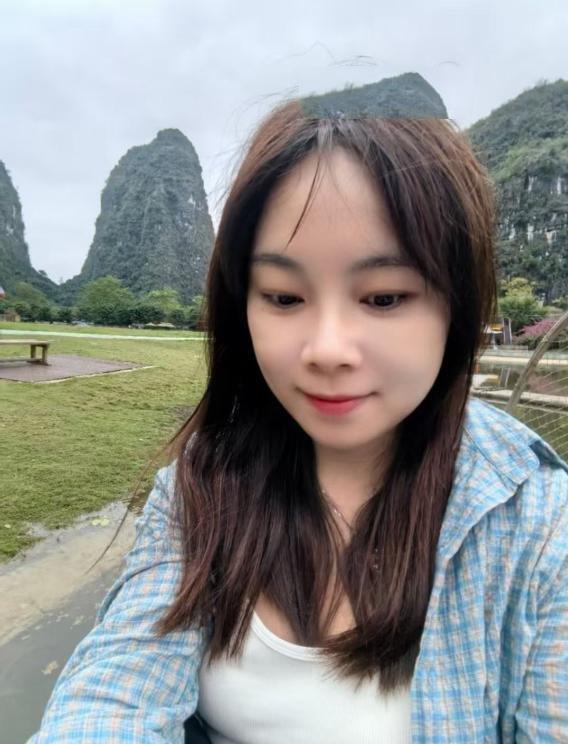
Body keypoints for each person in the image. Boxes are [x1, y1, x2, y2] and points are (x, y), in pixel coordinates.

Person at [29, 101, 567, 743]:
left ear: (456, 303)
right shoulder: (202, 484)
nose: (327, 350)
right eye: (283, 298)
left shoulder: (538, 525)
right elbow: (112, 694)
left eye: (384, 297)